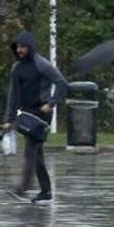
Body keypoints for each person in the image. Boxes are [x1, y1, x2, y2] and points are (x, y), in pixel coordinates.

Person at [4, 30, 68, 203]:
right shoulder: (16, 68)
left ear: (30, 47)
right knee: (36, 154)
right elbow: (13, 94)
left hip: (42, 113)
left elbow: (62, 82)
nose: (20, 50)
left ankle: (22, 189)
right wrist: (9, 119)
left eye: (23, 47)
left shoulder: (42, 64)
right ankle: (46, 191)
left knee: (30, 151)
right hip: (26, 113)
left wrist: (51, 103)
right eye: (17, 47)